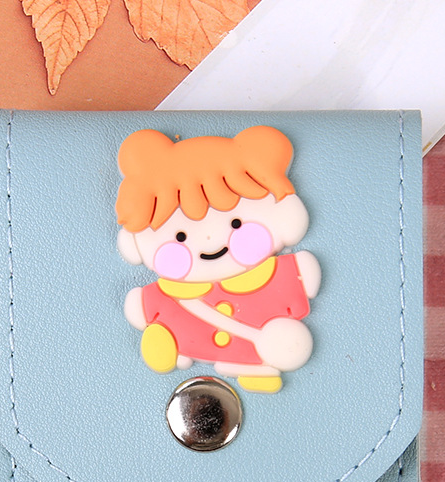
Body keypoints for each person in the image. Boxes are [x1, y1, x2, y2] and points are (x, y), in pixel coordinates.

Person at [116, 125, 321, 393]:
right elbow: (143, 307)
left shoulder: (277, 274)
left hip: (267, 340)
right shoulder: (171, 292)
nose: (211, 241)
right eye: (180, 236)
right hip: (197, 335)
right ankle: (168, 341)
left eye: (236, 223)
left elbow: (300, 278)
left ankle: (253, 369)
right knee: (174, 325)